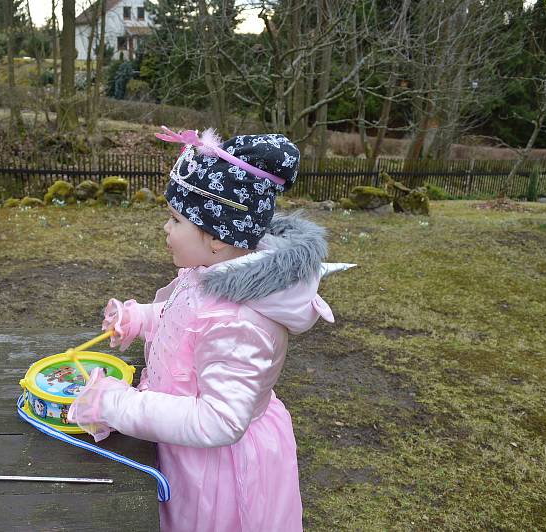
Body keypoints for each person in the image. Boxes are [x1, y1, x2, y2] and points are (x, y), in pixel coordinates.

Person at [68, 127, 347, 531]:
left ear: (217, 237)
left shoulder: (239, 322)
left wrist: (116, 405)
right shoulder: (211, 273)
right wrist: (142, 318)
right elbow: (185, 319)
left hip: (216, 475)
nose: (166, 229)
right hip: (184, 448)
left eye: (175, 219)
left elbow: (220, 421)